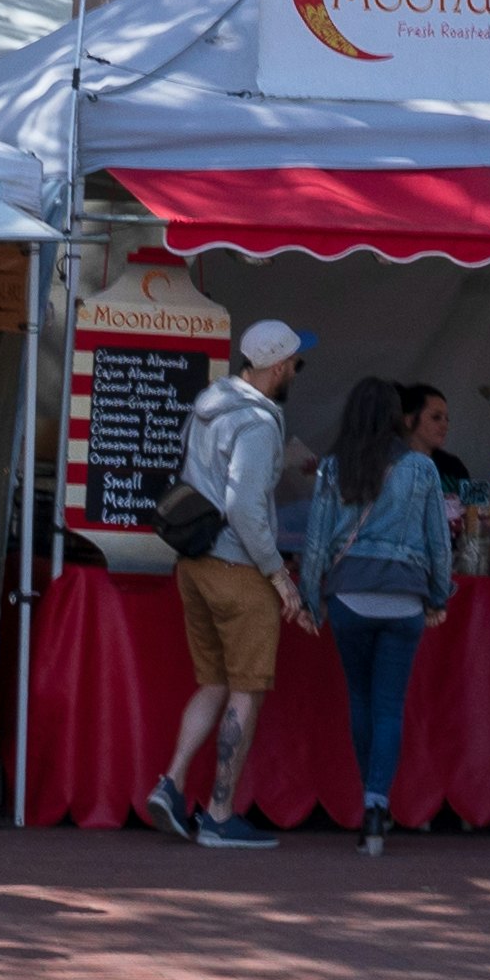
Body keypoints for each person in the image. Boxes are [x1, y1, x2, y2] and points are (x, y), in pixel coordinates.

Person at [144, 316, 305, 852]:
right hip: (239, 569)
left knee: (211, 681)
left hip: (194, 564)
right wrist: (279, 575)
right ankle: (217, 813)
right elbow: (244, 507)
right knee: (245, 689)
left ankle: (171, 781)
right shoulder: (259, 425)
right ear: (279, 366)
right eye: (295, 365)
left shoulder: (209, 402)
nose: (295, 373)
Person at [300, 373, 453, 854]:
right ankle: (376, 802)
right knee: (389, 707)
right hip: (404, 601)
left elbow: (316, 544)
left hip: (348, 600)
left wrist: (311, 598)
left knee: (361, 702)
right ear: (397, 417)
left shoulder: (331, 468)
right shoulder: (422, 470)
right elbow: (439, 544)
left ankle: (370, 802)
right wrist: (438, 596)